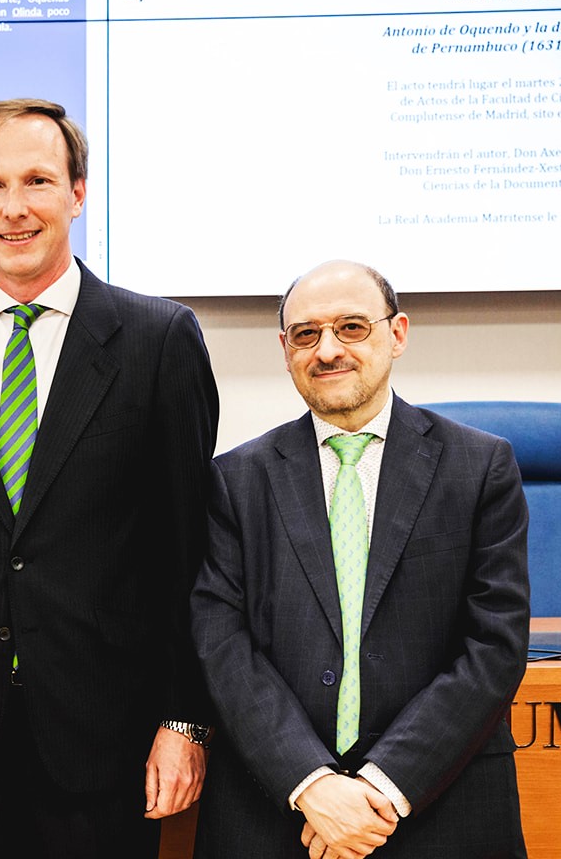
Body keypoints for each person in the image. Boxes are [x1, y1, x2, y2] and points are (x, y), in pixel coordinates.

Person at [0, 98, 220, 858]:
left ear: (77, 193)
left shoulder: (160, 340)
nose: (15, 207)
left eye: (37, 181)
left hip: (108, 736)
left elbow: (190, 554)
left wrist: (184, 720)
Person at [191, 260, 529, 859]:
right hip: (279, 812)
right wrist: (312, 782)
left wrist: (383, 785)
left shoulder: (480, 468)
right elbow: (222, 644)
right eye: (305, 334)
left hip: (440, 807)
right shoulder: (235, 479)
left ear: (396, 333)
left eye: (352, 327)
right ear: (284, 348)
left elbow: (494, 646)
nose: (327, 350)